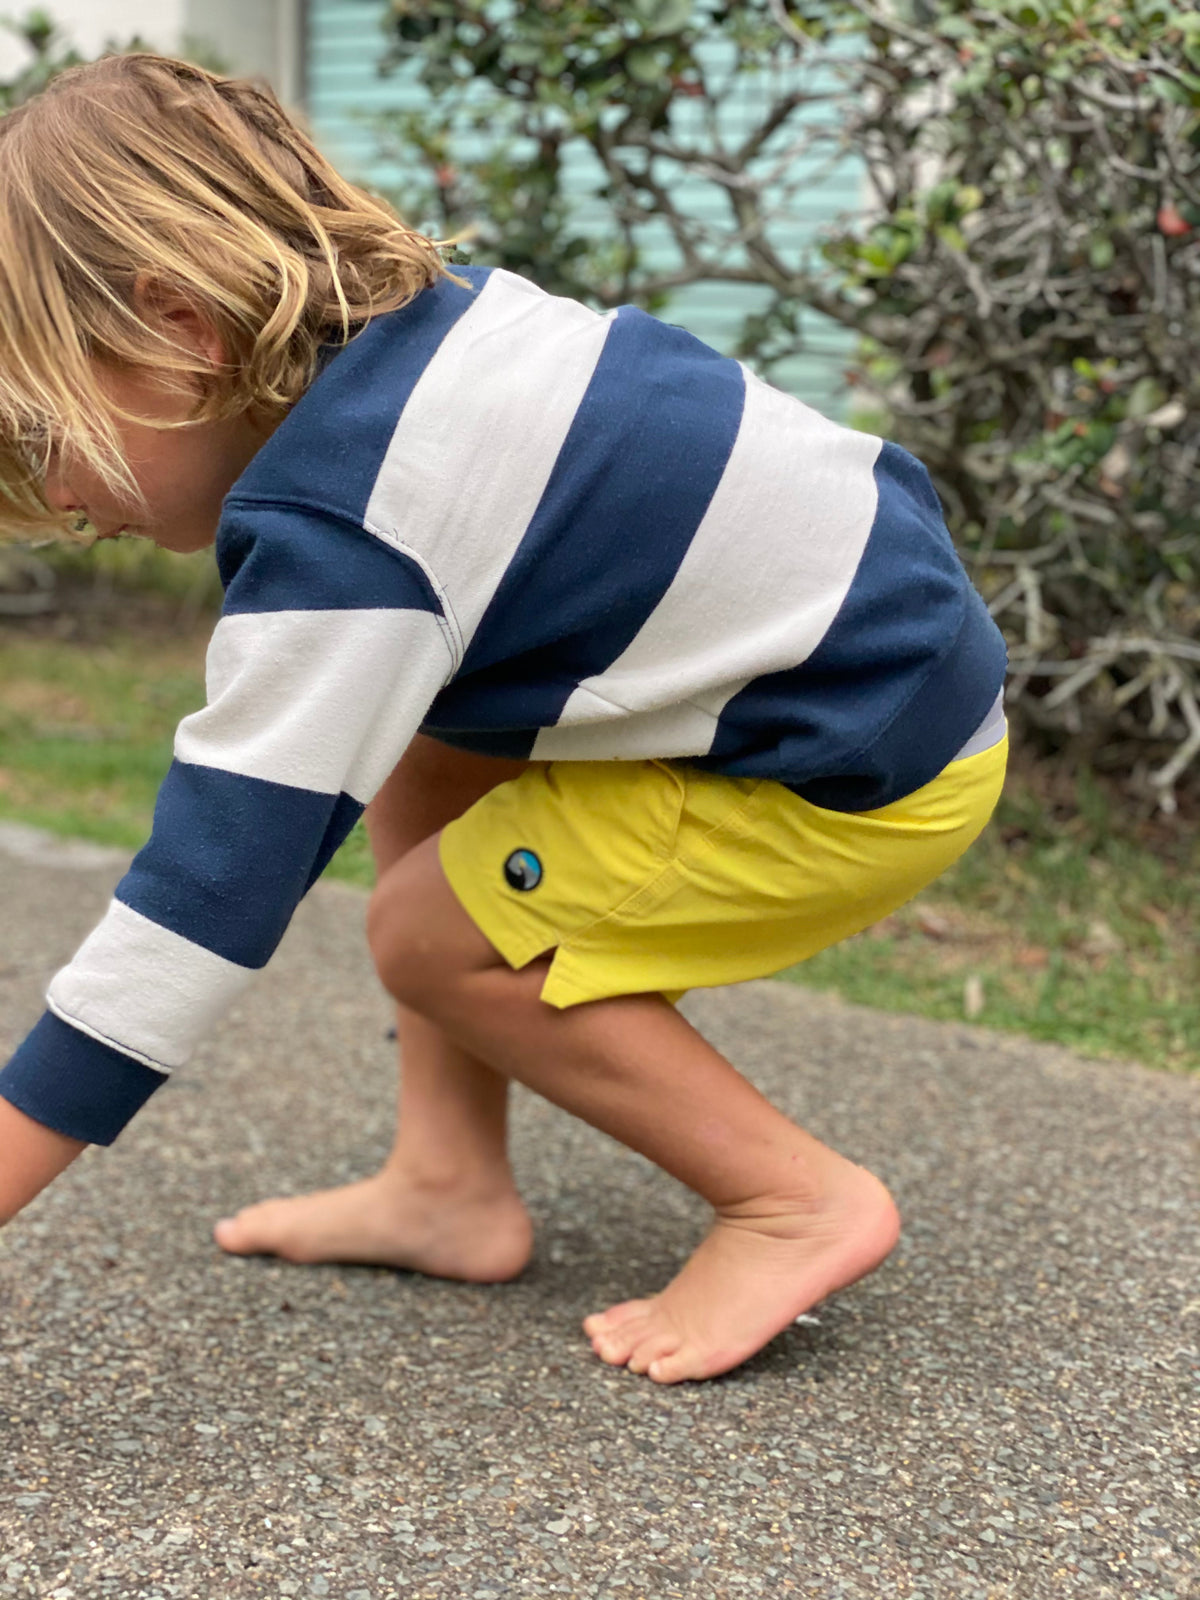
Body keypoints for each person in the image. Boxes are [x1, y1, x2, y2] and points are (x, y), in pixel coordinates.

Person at [0, 54, 1008, 1384]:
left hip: (849, 765)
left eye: (34, 432)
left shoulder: (348, 526)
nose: (49, 493)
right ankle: (449, 1179)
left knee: (430, 937)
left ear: (180, 328)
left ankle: (794, 1198)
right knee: (425, 729)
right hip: (882, 675)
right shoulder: (421, 353)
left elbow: (206, 893)